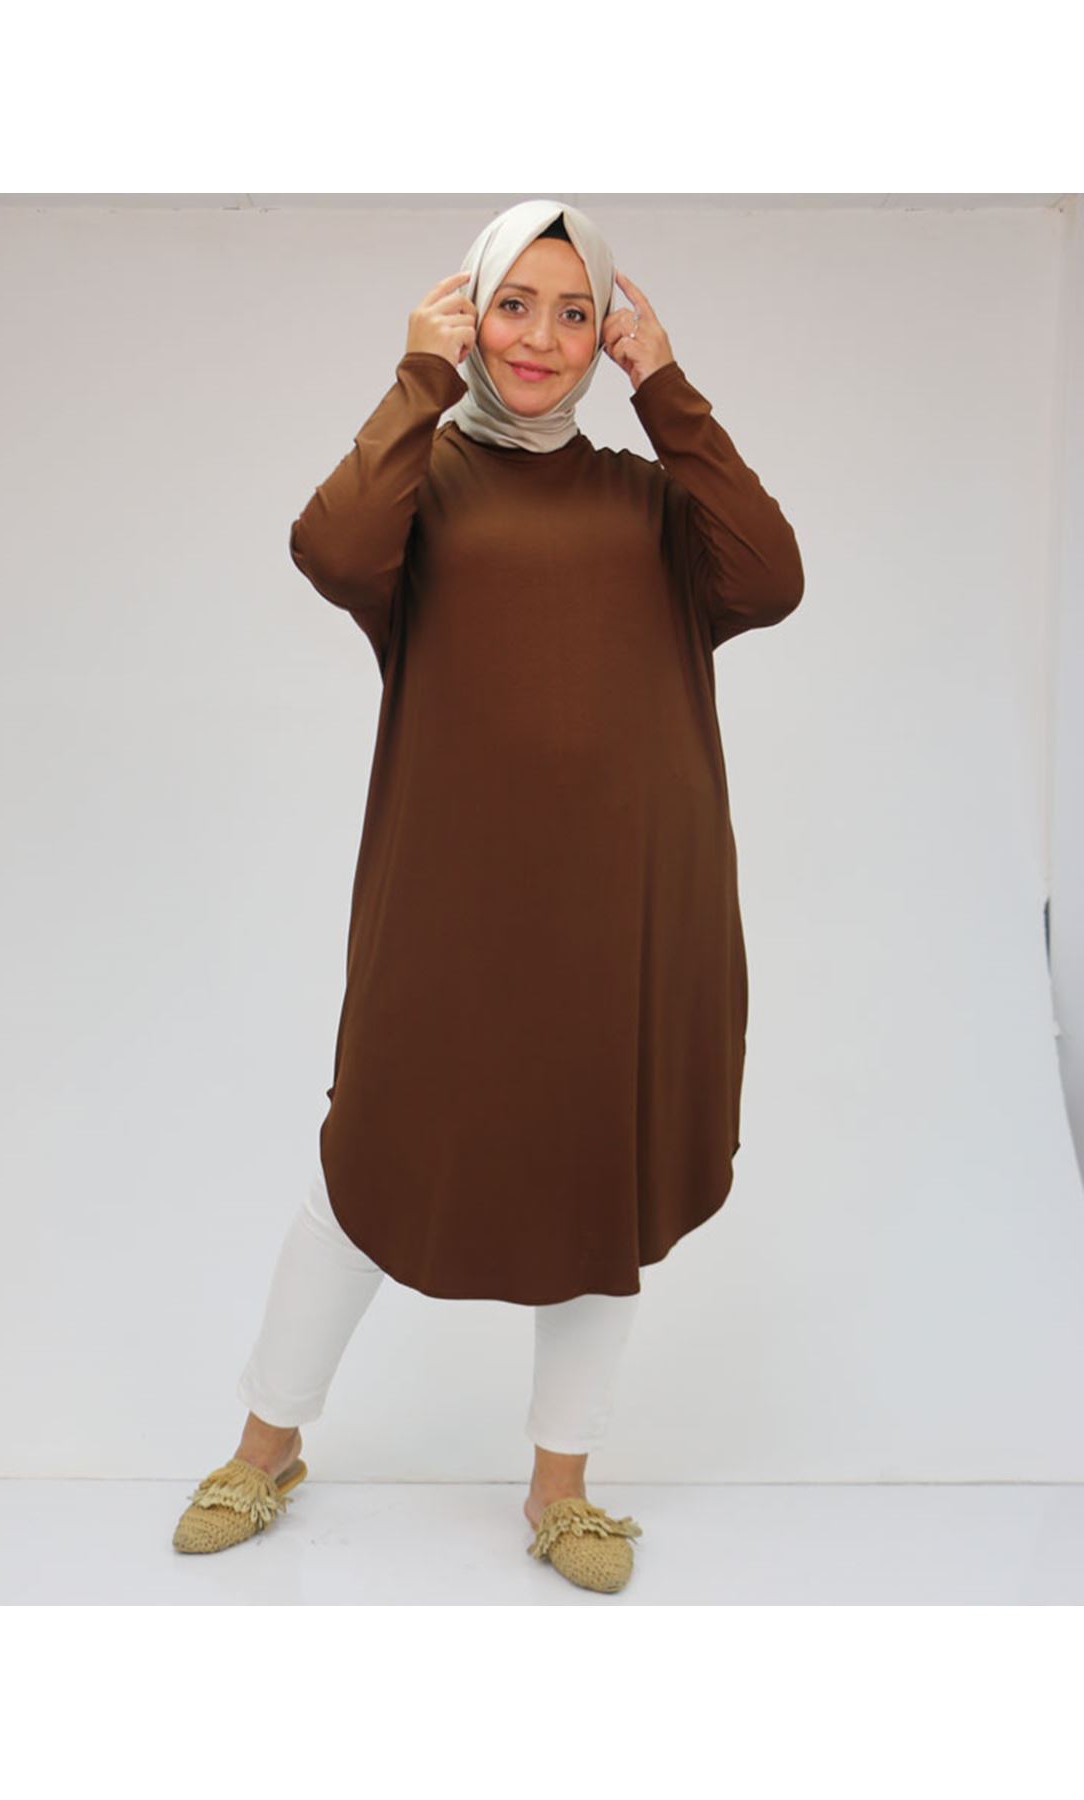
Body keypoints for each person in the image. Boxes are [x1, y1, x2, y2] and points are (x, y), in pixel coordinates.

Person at [172, 200, 804, 1593]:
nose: (540, 338)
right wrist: (416, 376)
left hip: (628, 913)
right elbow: (330, 549)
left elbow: (773, 577)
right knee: (366, 1170)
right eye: (514, 303)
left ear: (606, 332)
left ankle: (560, 1489)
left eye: (576, 313)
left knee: (595, 1187)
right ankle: (265, 1446)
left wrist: (667, 387)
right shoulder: (427, 482)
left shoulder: (649, 502)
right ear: (469, 309)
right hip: (452, 913)